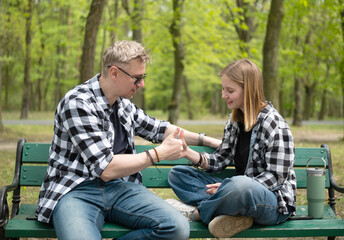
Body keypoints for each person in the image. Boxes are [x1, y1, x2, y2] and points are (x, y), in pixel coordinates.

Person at [35, 40, 221, 240]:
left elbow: (160, 128)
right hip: (76, 190)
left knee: (176, 228)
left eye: (143, 77)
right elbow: (106, 169)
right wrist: (159, 154)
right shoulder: (78, 103)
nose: (142, 84)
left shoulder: (123, 104)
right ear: (114, 73)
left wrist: (208, 141)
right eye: (137, 78)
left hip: (121, 189)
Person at [167, 59, 296, 238]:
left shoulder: (274, 124)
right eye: (223, 89)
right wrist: (189, 153)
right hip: (240, 192)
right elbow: (221, 159)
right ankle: (232, 213)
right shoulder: (235, 120)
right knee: (178, 174)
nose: (223, 95)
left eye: (230, 90)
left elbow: (276, 177)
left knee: (240, 185)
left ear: (249, 90)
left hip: (273, 203)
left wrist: (228, 188)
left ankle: (196, 214)